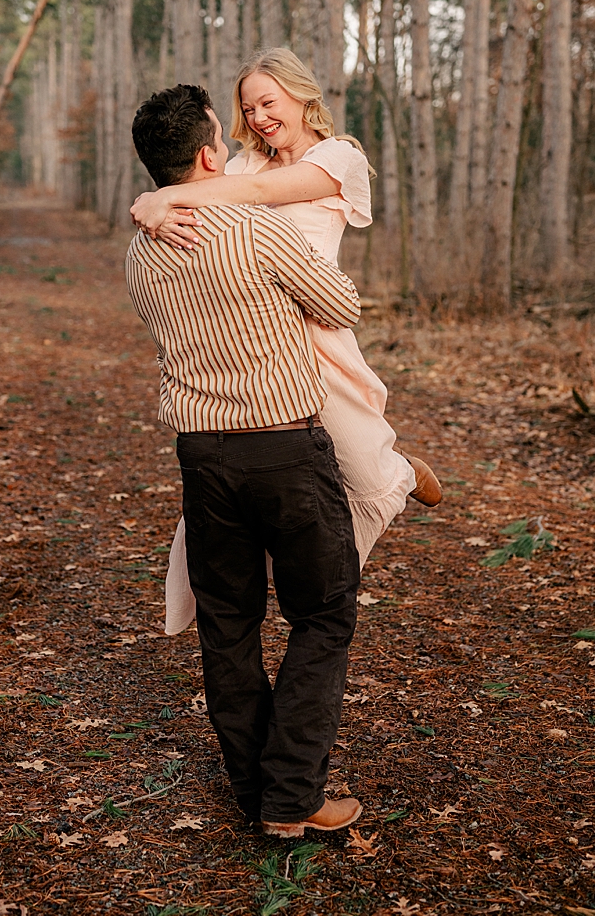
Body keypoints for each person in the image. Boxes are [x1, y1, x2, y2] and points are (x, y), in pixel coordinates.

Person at [129, 48, 438, 637]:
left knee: (368, 479)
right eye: (249, 107)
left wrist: (162, 198)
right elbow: (201, 187)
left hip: (318, 336)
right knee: (217, 505)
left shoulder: (337, 157)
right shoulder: (240, 165)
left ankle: (390, 488)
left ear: (302, 97)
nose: (262, 116)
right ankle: (220, 611)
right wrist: (155, 202)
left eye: (270, 102)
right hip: (253, 341)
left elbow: (257, 199)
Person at [126, 83, 363, 837]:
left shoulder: (140, 249)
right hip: (285, 447)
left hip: (201, 456)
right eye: (222, 141)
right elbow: (342, 305)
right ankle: (291, 794)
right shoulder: (252, 224)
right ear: (206, 153)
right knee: (323, 614)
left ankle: (255, 790)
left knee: (227, 625)